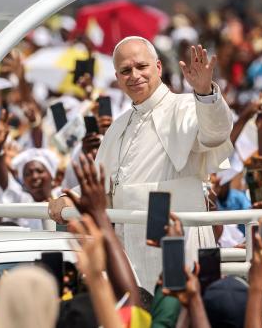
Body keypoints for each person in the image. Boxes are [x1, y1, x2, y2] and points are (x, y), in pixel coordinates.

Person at [49, 36, 234, 290]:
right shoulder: (119, 125)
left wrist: (204, 93)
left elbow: (215, 134)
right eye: (125, 70)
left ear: (157, 67)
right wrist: (71, 197)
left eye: (141, 67)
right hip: (131, 243)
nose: (134, 75)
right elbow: (106, 183)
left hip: (179, 240)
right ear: (117, 77)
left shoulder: (186, 107)